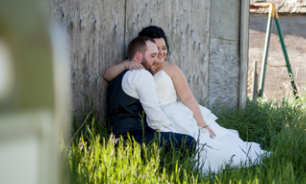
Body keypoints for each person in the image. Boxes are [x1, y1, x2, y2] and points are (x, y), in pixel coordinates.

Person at [104, 26, 266, 174]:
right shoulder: (136, 69)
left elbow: (187, 97)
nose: (159, 54)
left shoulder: (169, 68)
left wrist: (202, 124)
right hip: (150, 119)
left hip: (171, 115)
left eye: (163, 48)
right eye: (154, 51)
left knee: (202, 145)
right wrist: (125, 65)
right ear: (141, 52)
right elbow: (108, 74)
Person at [105, 36, 196, 159]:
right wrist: (172, 135)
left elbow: (107, 75)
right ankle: (161, 167)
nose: (156, 60)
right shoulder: (142, 74)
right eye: (153, 56)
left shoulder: (119, 74)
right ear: (139, 55)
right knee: (188, 142)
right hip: (132, 141)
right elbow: (155, 116)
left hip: (116, 140)